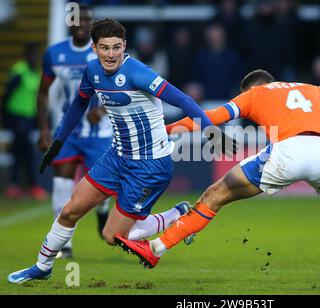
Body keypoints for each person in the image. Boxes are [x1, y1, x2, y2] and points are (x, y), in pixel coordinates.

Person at [113, 69, 320, 286]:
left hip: (287, 152)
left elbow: (210, 118)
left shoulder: (255, 94)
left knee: (215, 195)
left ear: (252, 87)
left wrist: (165, 131)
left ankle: (156, 247)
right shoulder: (313, 90)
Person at [7, 18, 234, 284]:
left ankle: (178, 213)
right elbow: (79, 104)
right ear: (94, 48)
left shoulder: (139, 73)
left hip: (150, 165)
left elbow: (183, 99)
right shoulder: (92, 71)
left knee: (112, 236)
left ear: (124, 46)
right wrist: (59, 141)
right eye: (105, 48)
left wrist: (211, 131)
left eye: (116, 47)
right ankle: (42, 266)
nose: (111, 54)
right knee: (69, 211)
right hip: (117, 157)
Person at [36, 4, 112, 259]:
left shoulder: (101, 52)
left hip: (98, 133)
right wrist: (45, 129)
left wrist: (100, 111)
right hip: (66, 132)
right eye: (77, 20)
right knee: (61, 184)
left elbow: (119, 87)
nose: (82, 24)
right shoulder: (55, 53)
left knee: (102, 189)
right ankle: (62, 245)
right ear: (69, 23)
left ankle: (103, 212)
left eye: (87, 20)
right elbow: (43, 92)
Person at [1, 43, 48, 200]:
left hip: (30, 118)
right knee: (23, 151)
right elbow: (7, 95)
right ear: (27, 56)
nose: (35, 59)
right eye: (33, 55)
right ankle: (26, 185)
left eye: (37, 56)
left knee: (23, 151)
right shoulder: (19, 72)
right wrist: (5, 117)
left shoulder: (37, 73)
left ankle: (19, 185)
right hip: (16, 117)